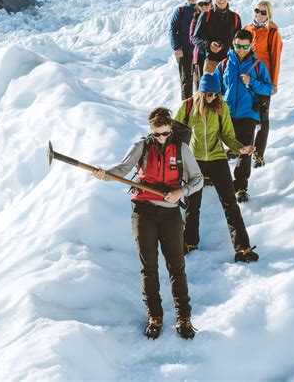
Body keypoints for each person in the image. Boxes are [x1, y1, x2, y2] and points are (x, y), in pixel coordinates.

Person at [92, 108, 203, 340]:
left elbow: (198, 179)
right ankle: (155, 315)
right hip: (143, 211)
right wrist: (106, 174)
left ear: (170, 128)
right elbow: (123, 169)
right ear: (151, 130)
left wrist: (181, 191)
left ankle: (184, 316)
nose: (161, 138)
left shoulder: (181, 149)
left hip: (170, 213)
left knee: (176, 265)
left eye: (164, 133)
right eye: (157, 134)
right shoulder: (142, 146)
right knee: (149, 266)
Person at [175, 73, 259, 263]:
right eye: (209, 94)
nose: (213, 97)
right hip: (194, 160)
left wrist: (240, 148)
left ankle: (243, 248)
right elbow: (176, 133)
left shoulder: (221, 106)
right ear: (201, 92)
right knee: (192, 204)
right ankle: (189, 242)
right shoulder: (188, 106)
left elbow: (227, 135)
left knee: (230, 203)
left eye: (216, 94)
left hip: (217, 158)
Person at [214, 29, 272, 203]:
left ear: (251, 45)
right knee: (217, 147)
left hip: (248, 114)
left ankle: (240, 187)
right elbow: (216, 88)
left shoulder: (258, 65)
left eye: (245, 46)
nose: (241, 49)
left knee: (246, 149)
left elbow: (268, 88)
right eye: (238, 45)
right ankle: (215, 179)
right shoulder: (224, 65)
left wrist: (251, 81)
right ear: (233, 43)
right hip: (227, 113)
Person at [244, 0, 283, 168]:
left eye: (263, 12)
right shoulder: (246, 29)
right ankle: (245, 151)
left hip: (263, 80)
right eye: (257, 11)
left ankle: (259, 154)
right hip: (245, 79)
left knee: (263, 118)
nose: (259, 15)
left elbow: (276, 57)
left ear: (269, 15)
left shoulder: (272, 32)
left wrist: (273, 83)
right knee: (247, 117)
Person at [192, 0, 241, 74]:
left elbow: (239, 43)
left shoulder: (235, 17)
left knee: (228, 88)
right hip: (210, 63)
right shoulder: (206, 15)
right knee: (208, 88)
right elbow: (195, 38)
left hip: (229, 64)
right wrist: (209, 45)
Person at [169, 0, 199, 100]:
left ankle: (198, 109)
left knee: (200, 81)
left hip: (198, 52)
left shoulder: (201, 9)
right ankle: (186, 109)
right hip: (184, 52)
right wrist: (176, 47)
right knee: (186, 80)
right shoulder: (181, 10)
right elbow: (172, 28)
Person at [189, 0, 213, 93]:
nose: (203, 7)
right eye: (200, 4)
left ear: (211, 3)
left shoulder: (215, 18)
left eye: (206, 4)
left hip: (213, 57)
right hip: (200, 56)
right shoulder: (195, 20)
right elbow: (192, 38)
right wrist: (206, 44)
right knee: (200, 86)